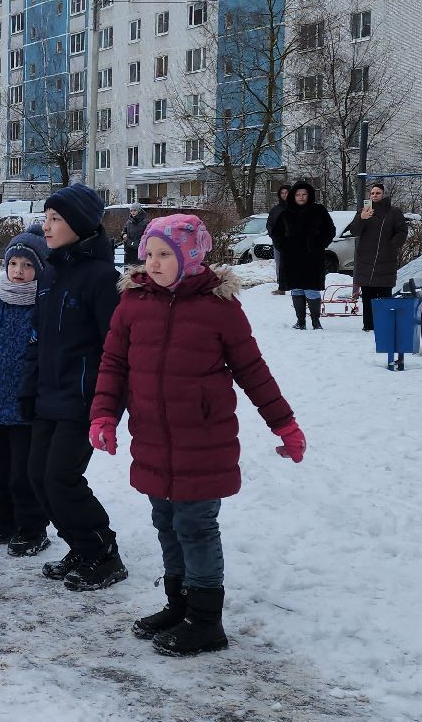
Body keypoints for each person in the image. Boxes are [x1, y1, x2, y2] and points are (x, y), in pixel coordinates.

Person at [90, 215, 306, 657]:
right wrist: (104, 417)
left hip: (203, 439)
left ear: (190, 256)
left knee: (196, 525)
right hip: (152, 436)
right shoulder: (133, 303)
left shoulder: (218, 307)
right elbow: (113, 365)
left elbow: (252, 370)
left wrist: (284, 425)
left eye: (165, 254)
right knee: (166, 522)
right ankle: (180, 605)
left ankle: (206, 621)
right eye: (149, 253)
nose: (153, 262)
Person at [21, 183, 124, 587]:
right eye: (45, 218)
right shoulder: (50, 274)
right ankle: (80, 546)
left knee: (62, 478)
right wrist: (29, 389)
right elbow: (37, 338)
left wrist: (105, 403)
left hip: (83, 399)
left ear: (80, 224)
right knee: (36, 476)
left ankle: (103, 552)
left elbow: (115, 348)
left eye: (55, 219)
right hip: (48, 395)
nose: (46, 227)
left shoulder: (103, 278)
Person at [0, 231, 48, 551]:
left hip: (29, 411)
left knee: (23, 476)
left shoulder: (43, 307)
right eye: (13, 263)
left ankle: (31, 528)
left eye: (27, 265)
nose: (18, 270)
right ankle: (2, 522)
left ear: (40, 270)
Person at [268, 181, 336, 331]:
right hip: (292, 257)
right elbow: (275, 232)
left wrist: (319, 244)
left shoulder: (319, 210)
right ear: (293, 196)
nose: (301, 197)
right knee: (297, 289)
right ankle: (300, 321)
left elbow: (330, 230)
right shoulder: (286, 212)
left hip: (312, 257)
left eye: (304, 194)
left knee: (311, 289)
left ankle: (316, 321)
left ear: (309, 195)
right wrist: (282, 246)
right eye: (298, 194)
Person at [347, 182, 410, 332]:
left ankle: (384, 326)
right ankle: (368, 326)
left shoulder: (394, 212)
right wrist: (361, 218)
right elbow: (354, 231)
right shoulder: (363, 211)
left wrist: (391, 246)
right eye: (372, 193)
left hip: (385, 260)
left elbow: (402, 231)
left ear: (384, 195)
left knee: (384, 294)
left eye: (378, 193)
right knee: (368, 296)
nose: (374, 196)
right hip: (366, 260)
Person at [264, 185, 290, 295]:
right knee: (280, 265)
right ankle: (282, 287)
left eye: (287, 192)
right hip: (278, 242)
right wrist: (274, 237)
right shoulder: (275, 210)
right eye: (282, 193)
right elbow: (269, 225)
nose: (284, 195)